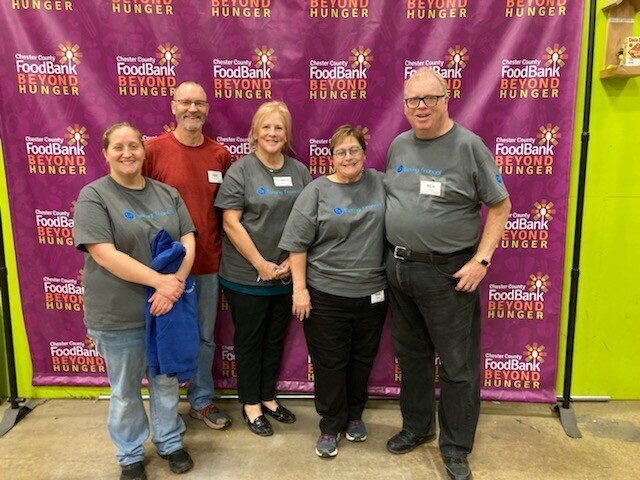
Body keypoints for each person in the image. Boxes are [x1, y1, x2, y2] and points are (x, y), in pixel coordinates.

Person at [384, 68, 511, 480]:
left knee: (457, 366)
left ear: (445, 99)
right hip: (400, 268)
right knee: (412, 357)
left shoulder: (469, 146)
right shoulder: (399, 145)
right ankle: (418, 427)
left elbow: (501, 205)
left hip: (448, 274)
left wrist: (482, 260)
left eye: (429, 98)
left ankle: (455, 448)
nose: (420, 107)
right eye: (412, 100)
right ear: (404, 105)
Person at [74, 123, 197, 480]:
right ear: (105, 153)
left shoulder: (167, 193)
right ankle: (129, 453)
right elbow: (104, 253)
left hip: (166, 309)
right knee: (126, 391)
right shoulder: (94, 196)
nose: (127, 153)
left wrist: (173, 286)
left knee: (166, 382)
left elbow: (188, 239)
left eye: (134, 146)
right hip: (119, 313)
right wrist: (160, 282)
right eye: (119, 147)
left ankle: (170, 441)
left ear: (144, 150)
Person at [279, 125, 387, 458]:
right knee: (330, 364)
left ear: (364, 154)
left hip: (373, 294)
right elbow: (297, 245)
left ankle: (354, 416)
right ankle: (330, 425)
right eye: (341, 151)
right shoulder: (316, 191)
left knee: (362, 361)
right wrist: (299, 290)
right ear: (331, 158)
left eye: (354, 150)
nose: (348, 157)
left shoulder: (381, 183)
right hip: (326, 295)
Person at [215, 101, 312, 436]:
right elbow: (230, 223)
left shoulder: (299, 172)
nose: (272, 133)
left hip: (285, 275)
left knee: (274, 340)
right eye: (266, 127)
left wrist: (289, 264)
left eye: (279, 128)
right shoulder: (240, 171)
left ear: (287, 134)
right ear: (254, 132)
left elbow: (307, 222)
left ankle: (268, 397)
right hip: (246, 276)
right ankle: (251, 404)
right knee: (250, 341)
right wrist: (260, 264)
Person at [143, 80, 233, 430]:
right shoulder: (152, 151)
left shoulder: (220, 155)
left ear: (207, 109)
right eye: (185, 102)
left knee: (205, 336)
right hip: (163, 267)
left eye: (199, 103)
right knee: (163, 335)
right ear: (173, 106)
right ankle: (165, 413)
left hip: (208, 263)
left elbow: (228, 211)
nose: (192, 109)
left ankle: (201, 400)